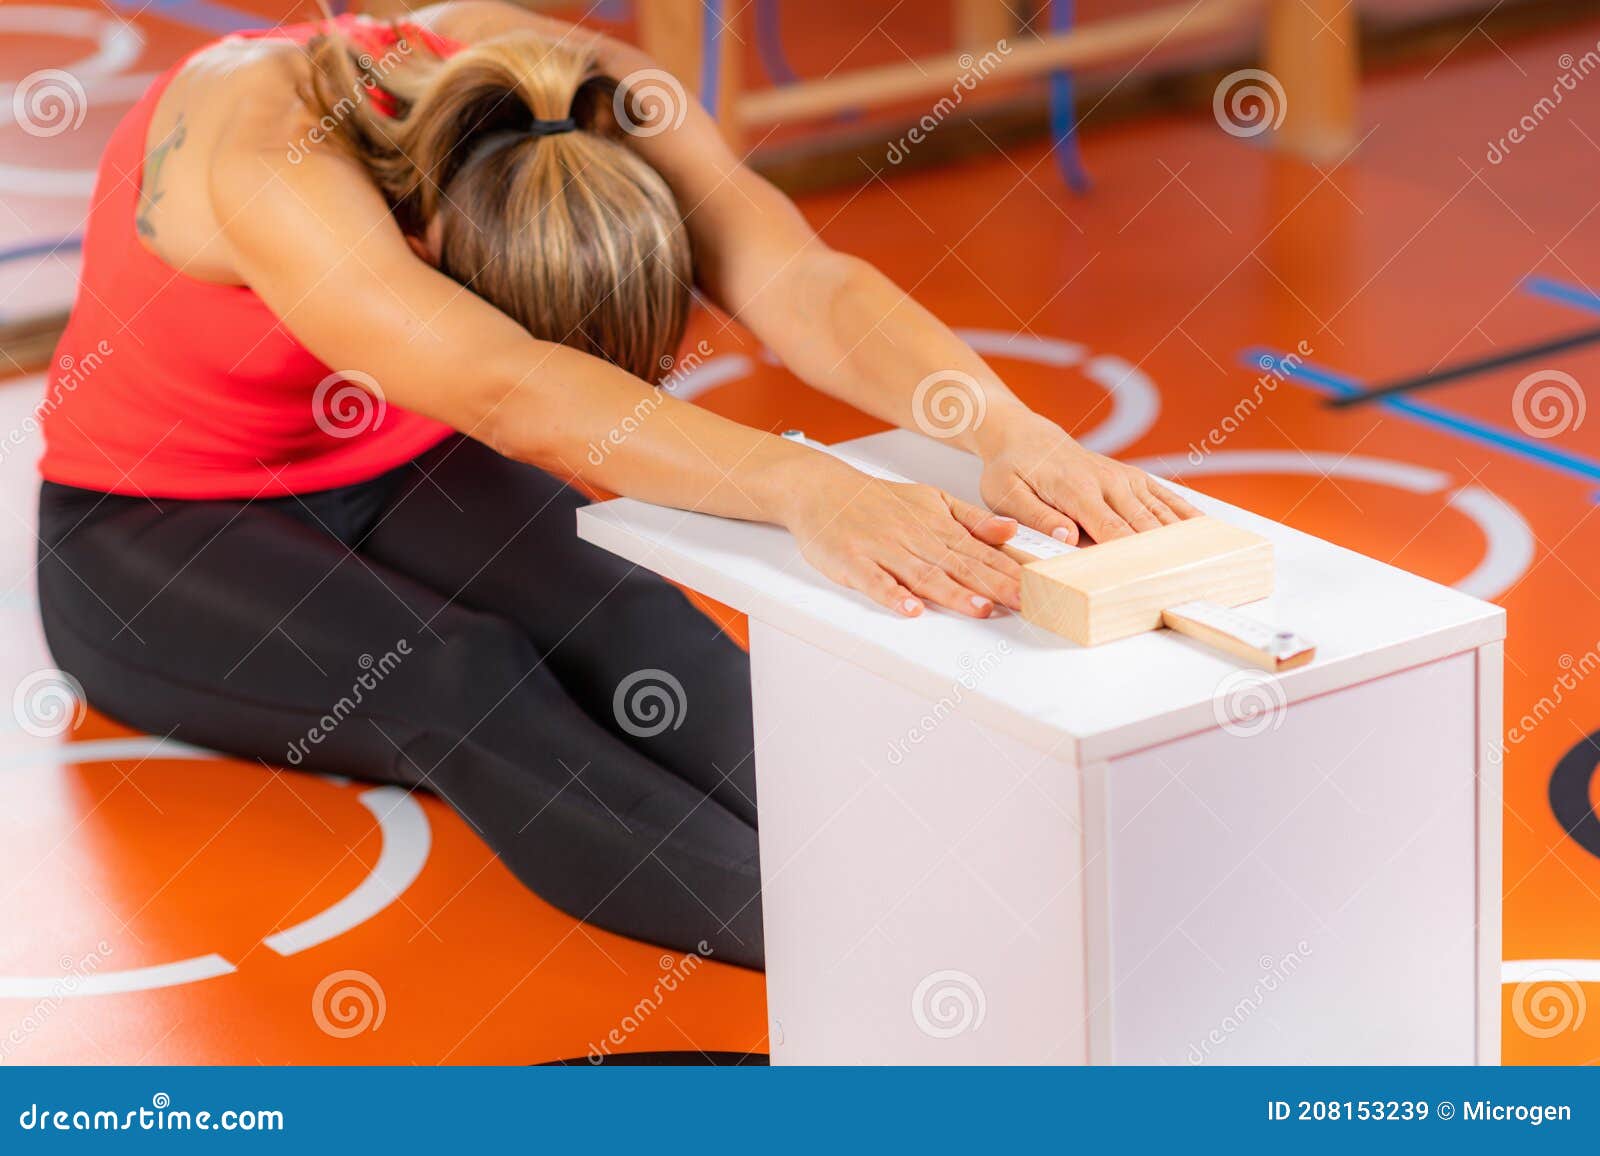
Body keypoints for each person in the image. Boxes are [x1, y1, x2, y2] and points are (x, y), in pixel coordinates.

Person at [35, 1, 1198, 971]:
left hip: (401, 465)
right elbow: (510, 391)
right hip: (150, 531)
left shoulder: (591, 95)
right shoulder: (270, 162)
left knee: (639, 629)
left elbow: (798, 278)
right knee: (461, 679)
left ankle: (1032, 901)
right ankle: (899, 961)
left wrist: (1004, 427)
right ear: (430, 256)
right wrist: (812, 489)